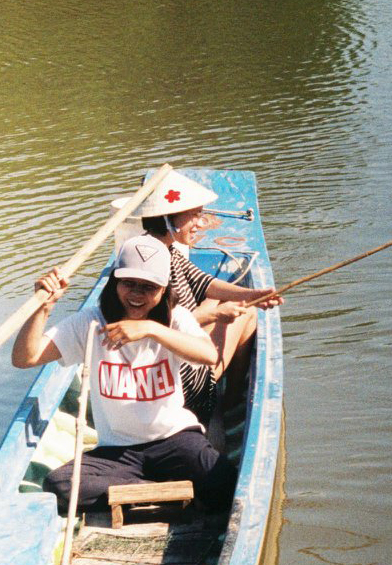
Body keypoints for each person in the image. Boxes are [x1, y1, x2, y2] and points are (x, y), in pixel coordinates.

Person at [11, 233, 237, 513]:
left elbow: (208, 355)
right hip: (117, 451)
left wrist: (152, 330)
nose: (136, 295)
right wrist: (42, 309)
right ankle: (157, 490)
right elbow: (25, 358)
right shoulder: (91, 322)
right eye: (128, 283)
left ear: (164, 289)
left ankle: (143, 489)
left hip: (174, 439)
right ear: (115, 281)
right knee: (61, 485)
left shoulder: (175, 318)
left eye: (148, 287)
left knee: (226, 480)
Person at [116, 170, 280, 421]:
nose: (201, 223)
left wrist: (253, 293)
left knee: (230, 300)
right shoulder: (156, 265)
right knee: (247, 314)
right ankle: (224, 403)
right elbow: (159, 327)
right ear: (170, 220)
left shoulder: (157, 249)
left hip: (165, 363)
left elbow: (205, 283)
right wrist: (218, 313)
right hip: (181, 385)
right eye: (194, 216)